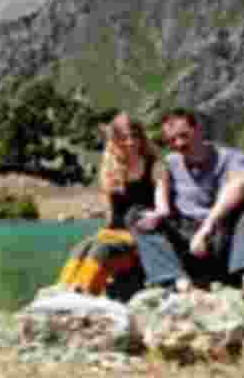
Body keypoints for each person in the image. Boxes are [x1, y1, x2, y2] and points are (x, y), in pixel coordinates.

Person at [127, 108, 244, 302]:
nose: (179, 143)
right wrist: (160, 212)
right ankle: (179, 283)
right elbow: (160, 189)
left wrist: (207, 228)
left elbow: (241, 183)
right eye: (172, 140)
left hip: (219, 237)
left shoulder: (231, 157)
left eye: (183, 135)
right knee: (136, 215)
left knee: (242, 207)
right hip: (186, 241)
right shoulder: (169, 162)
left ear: (198, 129)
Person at [57, 112, 169, 298]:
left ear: (142, 137)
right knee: (81, 248)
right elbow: (111, 215)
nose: (130, 142)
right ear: (115, 141)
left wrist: (157, 215)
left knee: (102, 250)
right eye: (124, 138)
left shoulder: (155, 165)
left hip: (141, 233)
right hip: (115, 232)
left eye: (135, 136)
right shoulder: (111, 166)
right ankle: (62, 291)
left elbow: (163, 208)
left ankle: (82, 294)